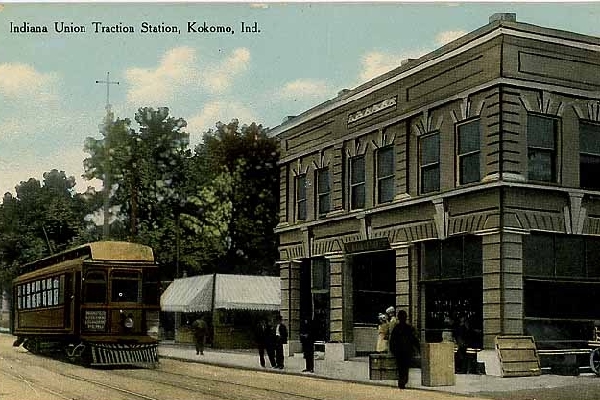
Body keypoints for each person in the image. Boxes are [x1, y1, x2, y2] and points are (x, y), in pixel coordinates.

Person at [389, 309, 420, 389]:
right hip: (407, 351)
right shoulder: (409, 328)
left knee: (400, 367)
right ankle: (404, 380)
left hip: (399, 352)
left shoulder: (396, 328)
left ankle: (401, 380)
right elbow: (414, 339)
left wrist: (392, 350)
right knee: (405, 367)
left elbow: (392, 341)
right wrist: (418, 349)